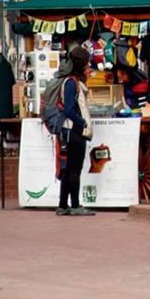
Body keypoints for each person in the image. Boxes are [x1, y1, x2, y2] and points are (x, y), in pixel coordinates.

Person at [53, 46, 95, 217]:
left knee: (68, 169)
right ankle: (75, 205)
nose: (88, 65)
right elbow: (69, 109)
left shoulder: (70, 81)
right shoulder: (71, 83)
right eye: (86, 62)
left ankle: (63, 205)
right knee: (74, 169)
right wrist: (82, 122)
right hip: (73, 131)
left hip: (68, 130)